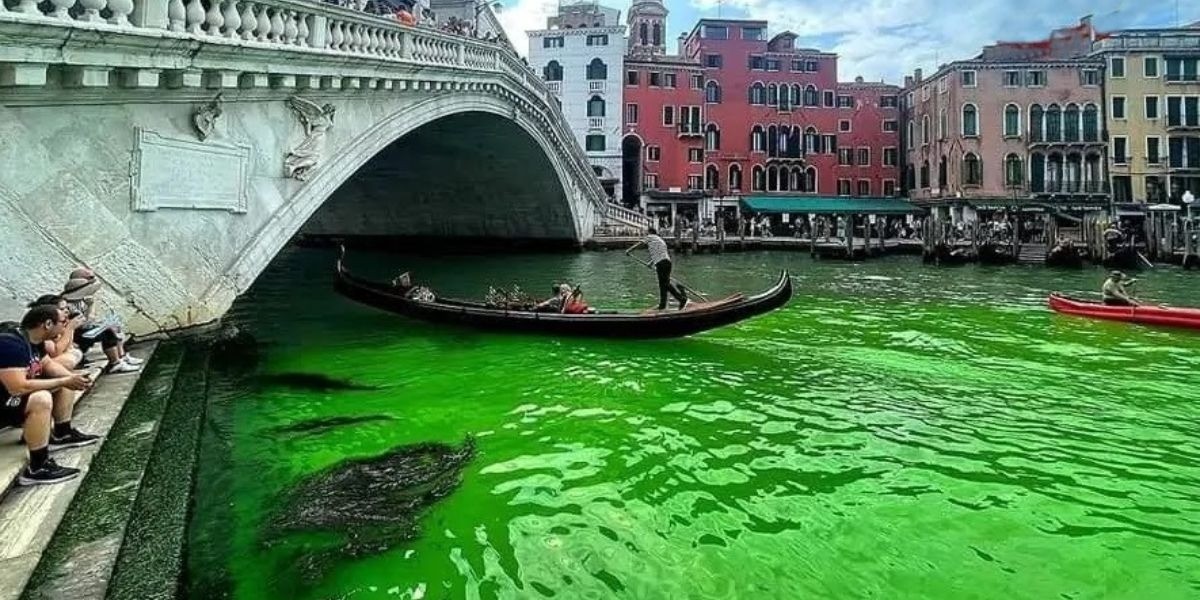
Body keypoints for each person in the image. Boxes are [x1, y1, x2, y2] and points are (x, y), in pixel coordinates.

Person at [1, 305, 99, 486]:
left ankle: (62, 433)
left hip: (9, 401)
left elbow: (49, 366)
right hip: (5, 404)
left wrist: (73, 379)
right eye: (63, 322)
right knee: (42, 398)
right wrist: (64, 381)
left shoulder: (34, 341)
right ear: (47, 324)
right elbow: (18, 388)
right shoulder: (10, 344)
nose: (65, 327)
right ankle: (37, 468)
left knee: (66, 377)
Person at [62, 269, 142, 374]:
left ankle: (122, 356)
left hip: (81, 330)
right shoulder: (69, 306)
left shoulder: (81, 301)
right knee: (107, 332)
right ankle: (116, 363)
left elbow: (88, 320)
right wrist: (91, 307)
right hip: (74, 335)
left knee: (114, 325)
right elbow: (84, 322)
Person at [625, 228, 688, 311]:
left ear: (650, 232)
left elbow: (640, 244)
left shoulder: (650, 237)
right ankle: (663, 305)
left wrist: (629, 250)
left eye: (646, 233)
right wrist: (651, 263)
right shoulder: (659, 240)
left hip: (661, 263)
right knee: (663, 285)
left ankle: (681, 298)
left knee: (665, 284)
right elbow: (659, 253)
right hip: (667, 262)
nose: (646, 234)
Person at [27, 295, 84, 370]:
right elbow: (56, 352)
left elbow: (69, 347)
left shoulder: (59, 325)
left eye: (67, 308)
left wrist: (70, 328)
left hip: (47, 361)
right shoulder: (43, 329)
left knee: (75, 353)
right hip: (35, 364)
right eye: (62, 309)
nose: (67, 311)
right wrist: (70, 328)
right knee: (70, 360)